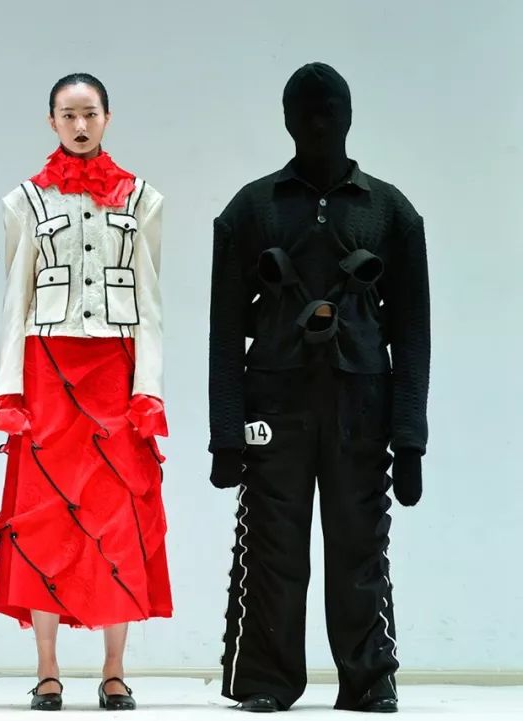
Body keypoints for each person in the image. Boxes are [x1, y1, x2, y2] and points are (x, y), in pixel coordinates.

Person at [209, 62, 431, 713]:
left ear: (349, 115)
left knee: (360, 545)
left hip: (361, 406)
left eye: (329, 109)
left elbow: (413, 334)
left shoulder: (391, 212)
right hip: (273, 405)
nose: (317, 122)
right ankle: (267, 679)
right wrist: (226, 436)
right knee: (273, 545)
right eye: (304, 110)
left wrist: (410, 439)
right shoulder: (250, 209)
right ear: (285, 119)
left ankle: (369, 677)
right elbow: (224, 333)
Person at [0, 72, 171, 712]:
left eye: (90, 113)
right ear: (52, 122)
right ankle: (47, 669)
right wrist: (9, 390)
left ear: (107, 118)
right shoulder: (24, 202)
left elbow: (150, 300)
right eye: (68, 114)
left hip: (116, 375)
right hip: (47, 376)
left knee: (116, 518)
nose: (80, 125)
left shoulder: (143, 199)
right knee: (44, 520)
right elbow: (15, 300)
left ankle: (115, 669)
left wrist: (149, 390)